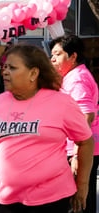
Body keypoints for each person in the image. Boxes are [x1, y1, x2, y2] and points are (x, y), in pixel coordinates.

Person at [0, 44, 94, 213]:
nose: (4, 72)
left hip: (52, 200)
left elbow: (86, 141)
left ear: (33, 73)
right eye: (4, 67)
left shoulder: (61, 102)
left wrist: (82, 185)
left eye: (12, 68)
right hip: (8, 197)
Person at [50, 35, 99, 213]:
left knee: (80, 201)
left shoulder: (78, 79)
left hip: (80, 150)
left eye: (57, 54)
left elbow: (87, 116)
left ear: (73, 56)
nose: (52, 58)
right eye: (51, 54)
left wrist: (77, 154)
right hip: (77, 148)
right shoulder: (72, 76)